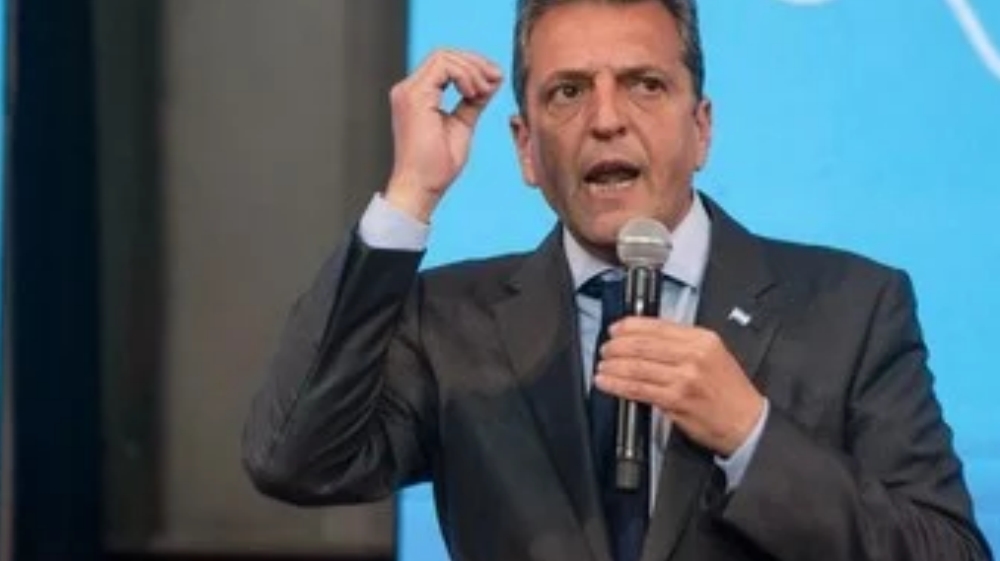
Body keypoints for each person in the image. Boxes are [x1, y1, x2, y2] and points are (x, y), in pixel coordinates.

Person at [241, 0, 993, 559]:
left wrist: (752, 436)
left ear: (701, 128)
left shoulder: (853, 308)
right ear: (525, 147)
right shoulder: (449, 318)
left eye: (644, 85)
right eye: (568, 92)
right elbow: (294, 459)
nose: (606, 119)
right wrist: (410, 195)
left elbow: (948, 552)